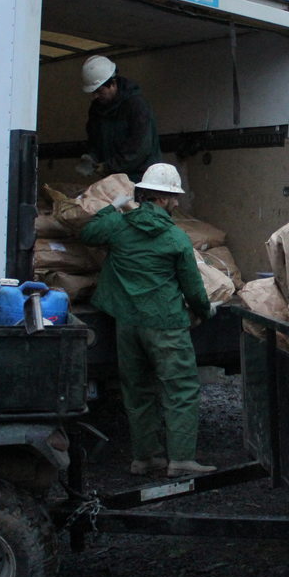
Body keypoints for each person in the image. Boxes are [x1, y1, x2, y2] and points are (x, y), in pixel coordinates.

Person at [80, 162, 216, 478]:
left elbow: (87, 233)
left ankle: (145, 458)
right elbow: (193, 288)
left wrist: (113, 206)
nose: (177, 203)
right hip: (167, 325)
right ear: (164, 199)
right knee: (180, 390)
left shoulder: (118, 226)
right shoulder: (176, 238)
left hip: (127, 325)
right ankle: (181, 459)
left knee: (137, 390)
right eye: (174, 197)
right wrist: (205, 310)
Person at [77, 54, 162, 182]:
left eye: (99, 91)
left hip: (141, 180)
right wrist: (91, 157)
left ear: (112, 83)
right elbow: (94, 140)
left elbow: (139, 149)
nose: (95, 97)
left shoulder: (137, 106)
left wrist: (109, 166)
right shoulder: (96, 109)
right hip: (113, 180)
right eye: (93, 92)